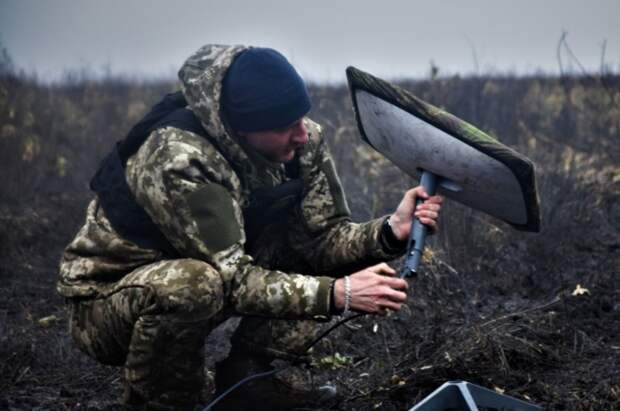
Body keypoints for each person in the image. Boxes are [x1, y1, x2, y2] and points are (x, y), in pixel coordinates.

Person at [58, 44, 443, 410]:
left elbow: (323, 239)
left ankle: (254, 385)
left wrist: (390, 230)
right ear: (240, 128)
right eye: (284, 125)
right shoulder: (179, 158)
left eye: (301, 118)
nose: (302, 134)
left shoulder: (302, 143)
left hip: (212, 279)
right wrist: (339, 293)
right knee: (193, 283)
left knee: (299, 248)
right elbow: (233, 281)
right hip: (107, 303)